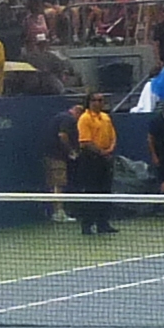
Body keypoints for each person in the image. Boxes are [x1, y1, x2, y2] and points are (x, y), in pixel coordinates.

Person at [66, 91, 121, 234]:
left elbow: (113, 136)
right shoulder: (84, 119)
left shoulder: (106, 118)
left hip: (105, 160)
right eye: (95, 100)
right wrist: (101, 153)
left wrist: (109, 150)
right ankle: (87, 225)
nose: (99, 103)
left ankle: (103, 224)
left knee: (105, 192)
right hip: (90, 160)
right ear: (89, 102)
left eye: (101, 100)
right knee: (91, 192)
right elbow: (85, 142)